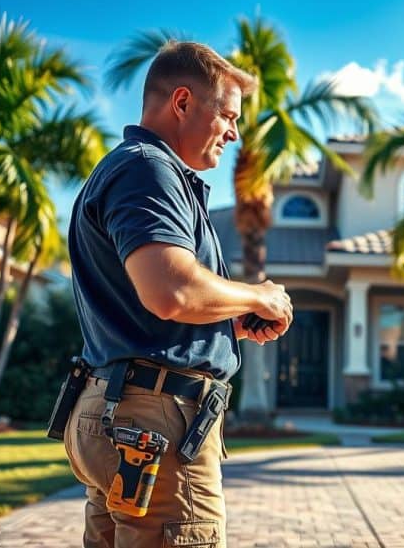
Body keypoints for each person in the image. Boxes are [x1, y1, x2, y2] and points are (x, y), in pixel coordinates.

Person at [63, 41, 291, 547]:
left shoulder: (129, 168)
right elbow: (172, 290)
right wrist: (258, 296)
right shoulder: (150, 170)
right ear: (182, 103)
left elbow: (150, 303)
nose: (234, 133)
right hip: (156, 423)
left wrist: (225, 322)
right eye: (227, 116)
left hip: (119, 413)